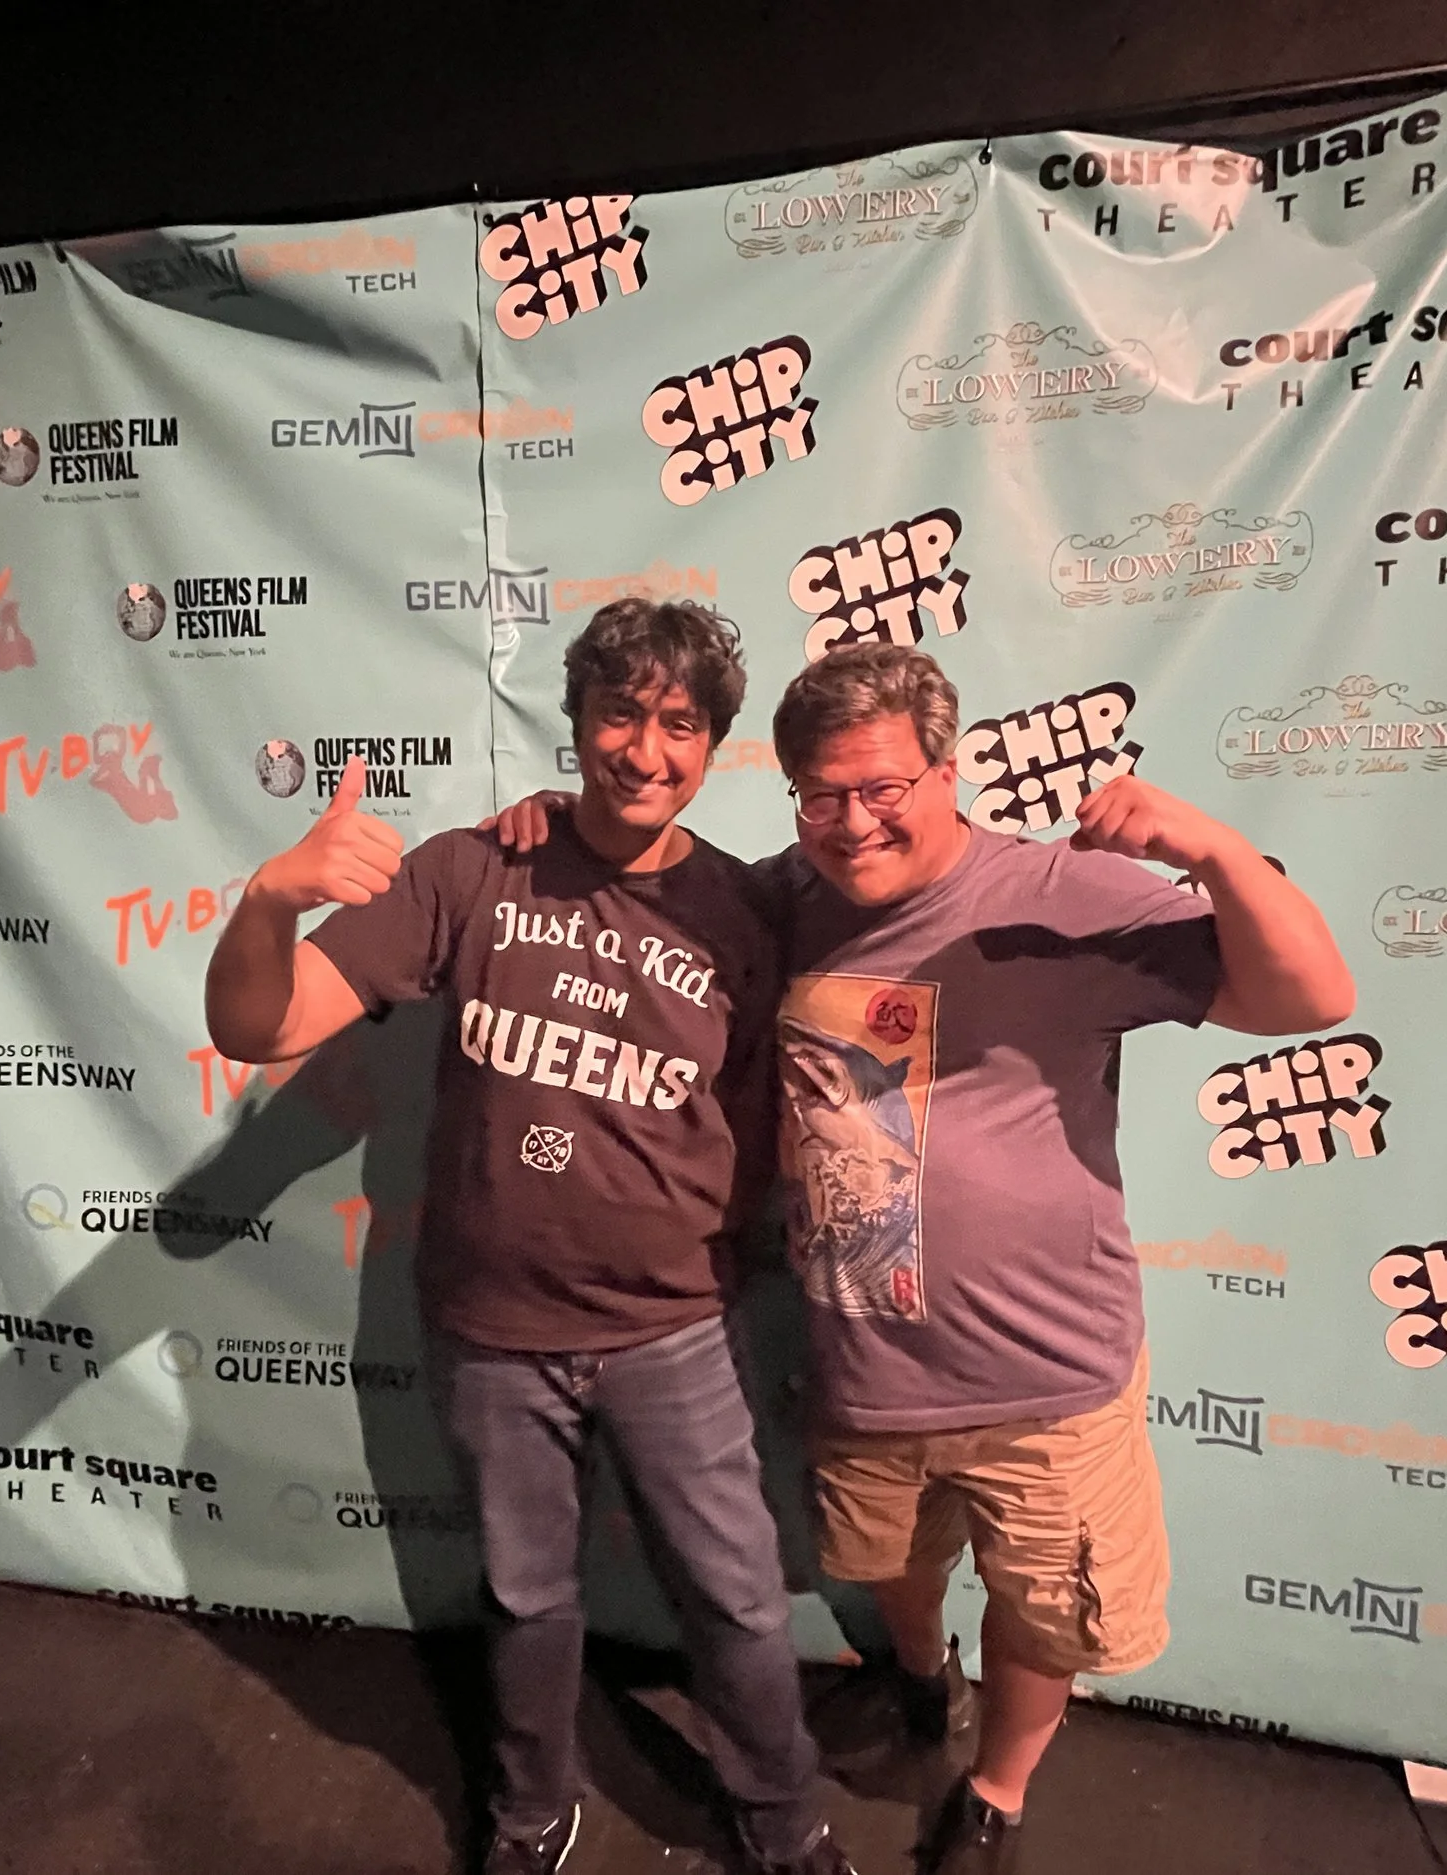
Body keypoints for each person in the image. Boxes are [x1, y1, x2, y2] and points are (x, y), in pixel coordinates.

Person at [499, 642, 1355, 1874]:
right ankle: (917, 1680)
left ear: (947, 772)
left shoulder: (1061, 896)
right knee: (893, 1568)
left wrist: (1216, 852)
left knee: (1042, 1609)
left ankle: (996, 1793)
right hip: (866, 1364)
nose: (853, 823)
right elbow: (650, 885)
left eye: (883, 788)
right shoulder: (784, 899)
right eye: (822, 795)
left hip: (1046, 1378)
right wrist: (555, 828)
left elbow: (1311, 999)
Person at [203, 599, 857, 1875]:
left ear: (714, 744)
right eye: (621, 714)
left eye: (680, 725)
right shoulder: (470, 871)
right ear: (577, 720)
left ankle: (784, 1820)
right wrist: (270, 898)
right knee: (523, 1595)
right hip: (490, 1332)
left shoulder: (747, 909)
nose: (645, 751)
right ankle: (529, 1810)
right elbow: (257, 1029)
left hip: (676, 1329)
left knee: (735, 1600)